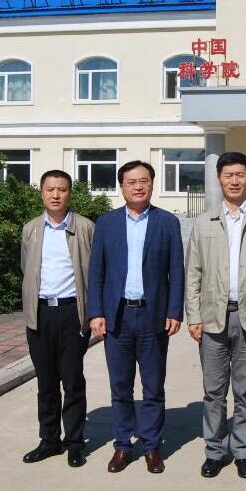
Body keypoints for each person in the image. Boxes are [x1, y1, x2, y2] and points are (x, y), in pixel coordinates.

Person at [185, 151, 246, 479]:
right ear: (219, 179)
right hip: (212, 317)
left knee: (245, 391)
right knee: (213, 391)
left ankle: (242, 450)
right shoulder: (204, 222)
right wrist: (193, 316)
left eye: (240, 174)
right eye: (228, 175)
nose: (234, 181)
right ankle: (215, 451)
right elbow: (193, 273)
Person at [88, 160, 184, 474]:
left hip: (152, 315)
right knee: (121, 387)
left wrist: (174, 310)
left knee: (153, 387)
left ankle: (152, 446)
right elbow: (97, 272)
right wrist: (96, 312)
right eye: (132, 182)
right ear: (122, 187)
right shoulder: (106, 223)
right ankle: (122, 445)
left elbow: (176, 271)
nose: (138, 187)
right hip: (117, 316)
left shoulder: (167, 222)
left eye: (144, 181)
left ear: (152, 184)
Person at [19, 170, 95, 468]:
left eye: (61, 189)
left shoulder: (85, 227)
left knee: (72, 380)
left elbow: (94, 272)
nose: (55, 195)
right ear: (41, 192)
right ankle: (49, 440)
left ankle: (75, 443)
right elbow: (26, 268)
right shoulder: (31, 229)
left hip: (71, 313)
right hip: (40, 314)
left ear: (69, 193)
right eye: (50, 189)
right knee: (46, 381)